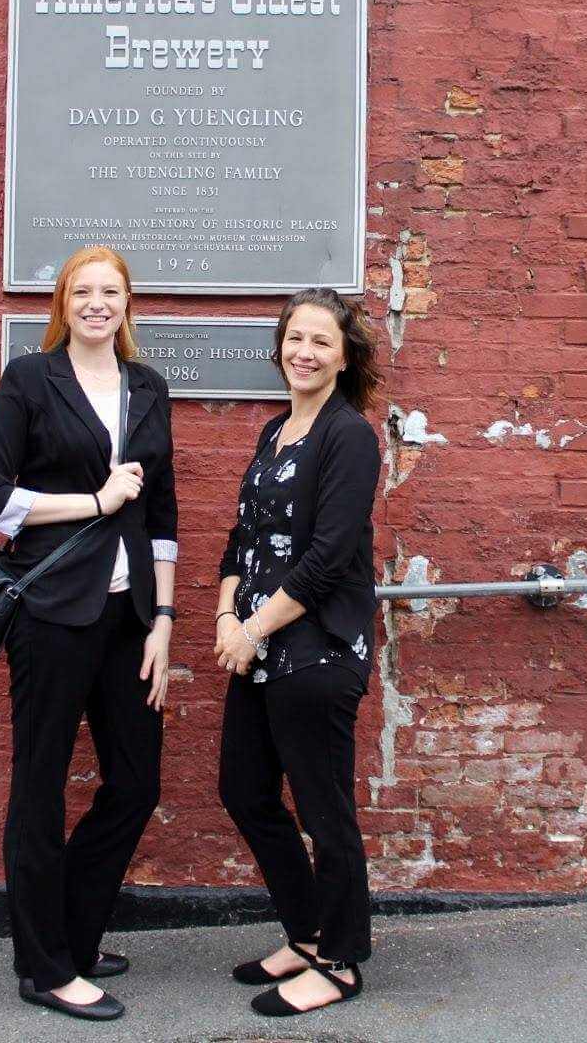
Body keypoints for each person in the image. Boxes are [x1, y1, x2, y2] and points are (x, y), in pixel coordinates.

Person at [0, 246, 177, 1023]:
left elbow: (161, 517)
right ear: (62, 303)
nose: (97, 303)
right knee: (40, 787)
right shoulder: (30, 379)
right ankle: (46, 968)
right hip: (51, 613)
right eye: (82, 291)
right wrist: (91, 500)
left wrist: (162, 619)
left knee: (136, 782)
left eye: (110, 291)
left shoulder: (148, 389)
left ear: (127, 303)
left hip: (126, 621)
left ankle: (72, 932)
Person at [213, 288, 384, 1018]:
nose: (304, 352)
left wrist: (252, 628)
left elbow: (326, 559)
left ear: (345, 357)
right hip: (258, 652)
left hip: (314, 652)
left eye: (321, 341)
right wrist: (226, 613)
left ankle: (340, 961)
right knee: (244, 790)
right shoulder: (275, 431)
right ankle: (307, 929)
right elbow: (241, 539)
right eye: (295, 339)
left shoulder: (349, 437)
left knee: (324, 810)